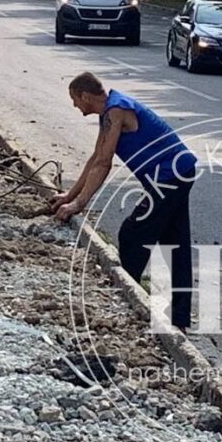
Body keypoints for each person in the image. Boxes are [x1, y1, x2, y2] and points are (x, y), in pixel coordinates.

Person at [48, 72, 198, 330]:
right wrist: (69, 196)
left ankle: (130, 301)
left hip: (169, 175)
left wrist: (78, 205)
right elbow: (96, 157)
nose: (75, 106)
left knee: (132, 234)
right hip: (178, 171)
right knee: (175, 245)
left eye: (74, 100)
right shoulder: (109, 111)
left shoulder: (115, 112)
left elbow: (105, 164)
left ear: (85, 96)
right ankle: (180, 320)